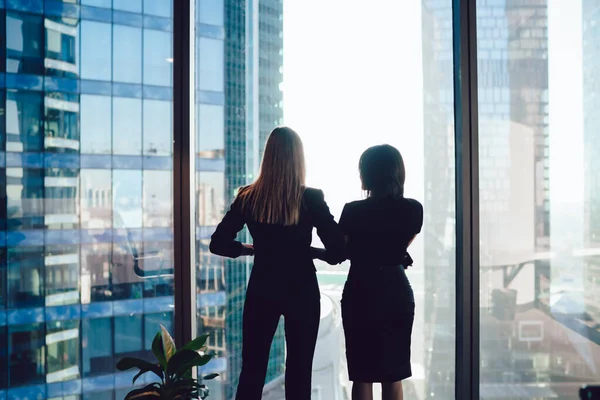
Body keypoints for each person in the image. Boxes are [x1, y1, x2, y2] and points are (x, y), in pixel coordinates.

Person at [209, 126, 345, 400]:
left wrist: (249, 249)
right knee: (298, 373)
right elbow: (338, 251)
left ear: (267, 157)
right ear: (298, 158)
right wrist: (310, 252)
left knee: (252, 372)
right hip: (302, 290)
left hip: (263, 288)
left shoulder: (248, 197)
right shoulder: (311, 198)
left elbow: (218, 243)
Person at [314, 144, 423, 400]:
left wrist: (309, 251)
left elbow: (337, 254)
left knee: (362, 374)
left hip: (361, 291)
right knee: (393, 375)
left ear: (368, 174)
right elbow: (398, 246)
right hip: (396, 292)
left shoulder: (353, 210)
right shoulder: (413, 209)